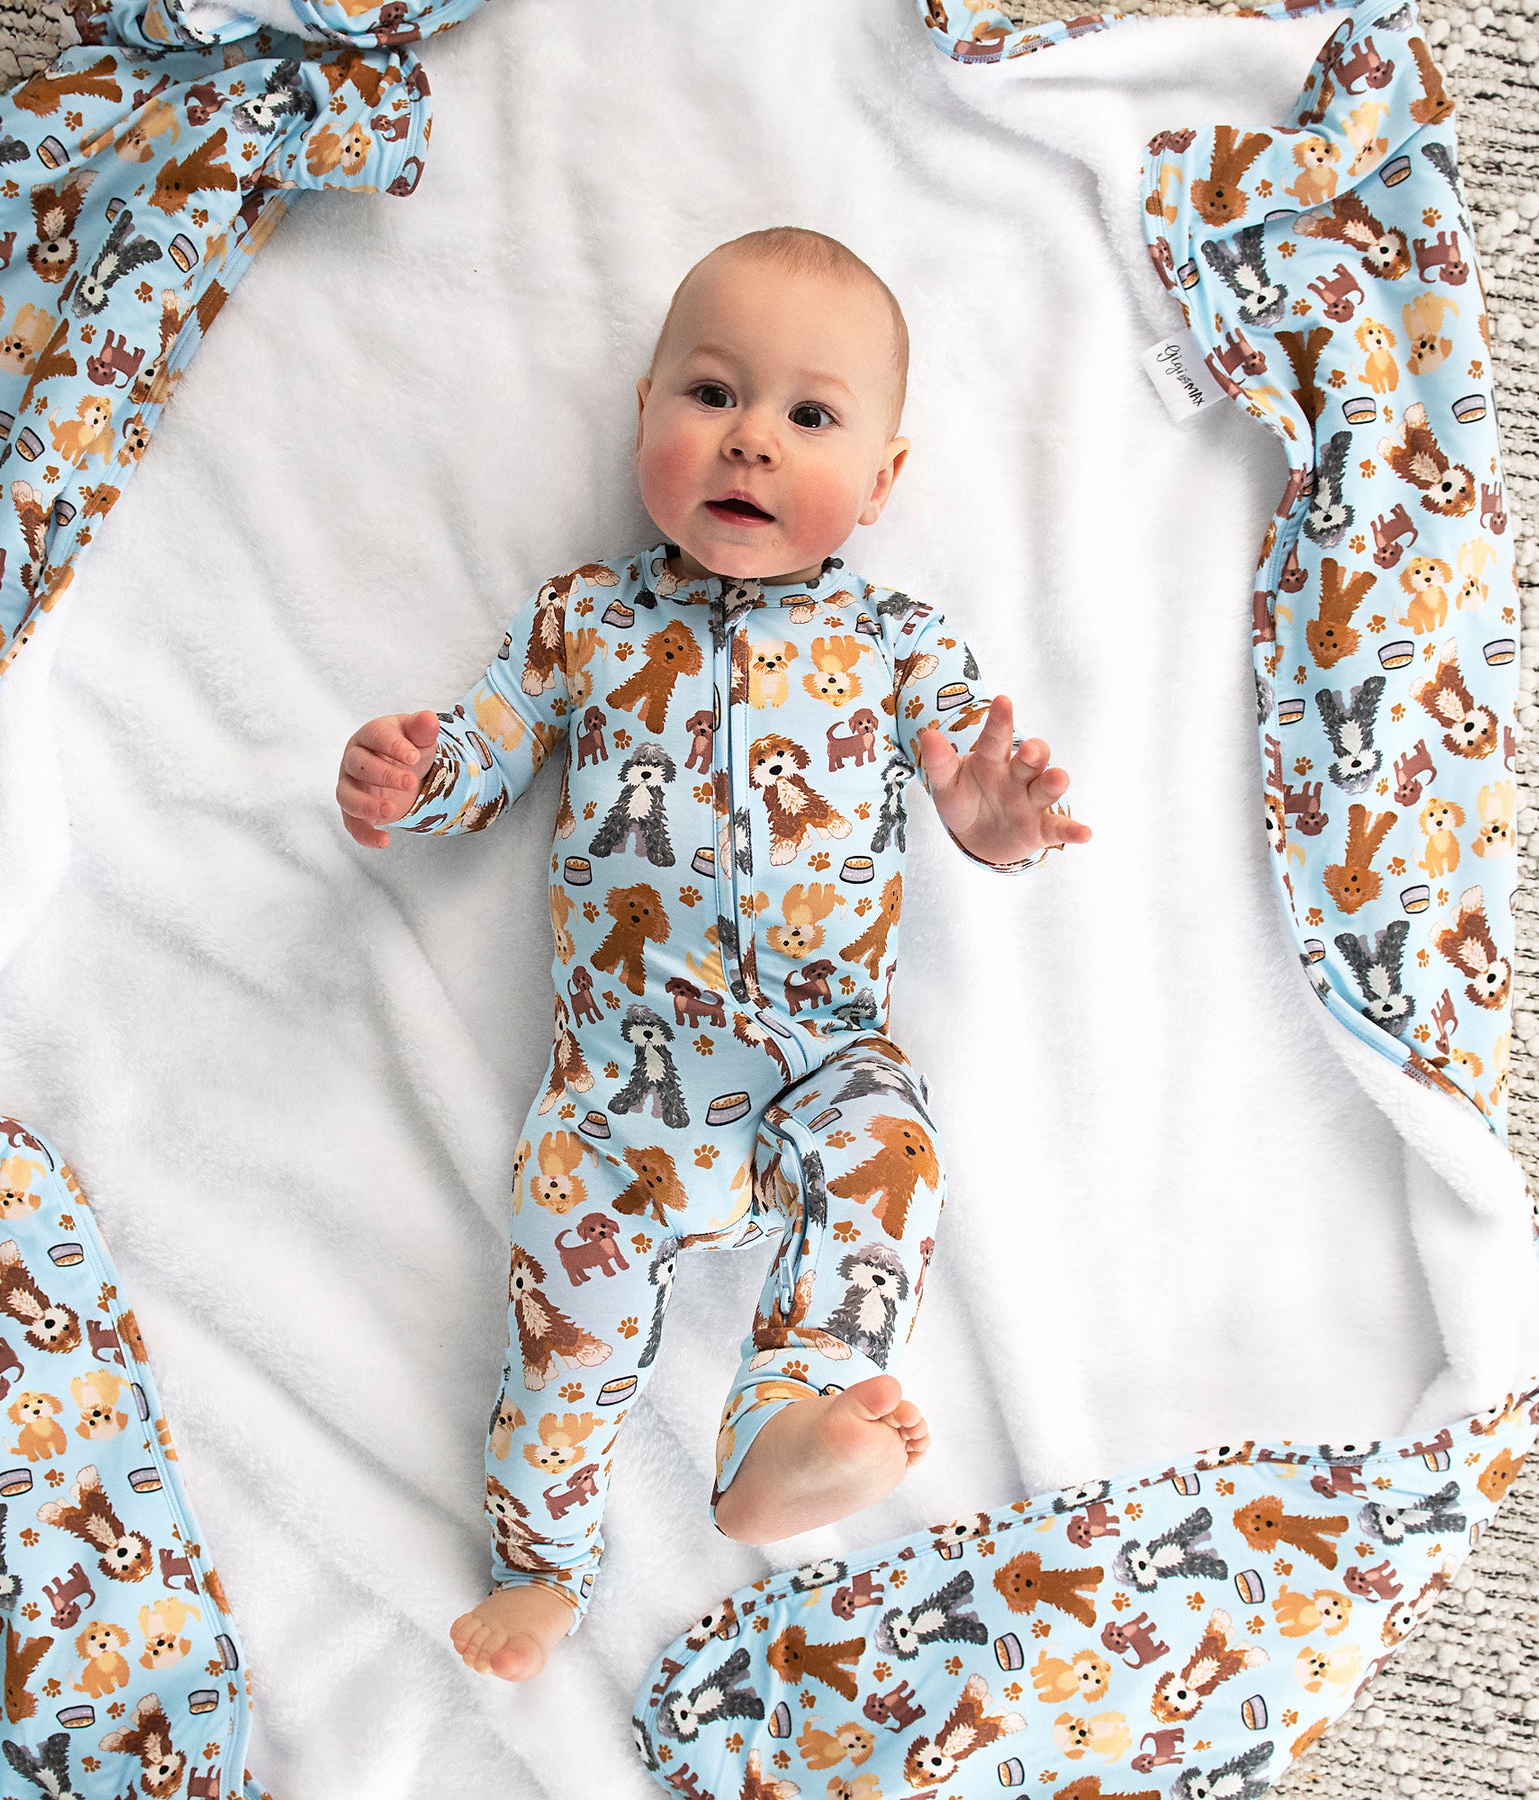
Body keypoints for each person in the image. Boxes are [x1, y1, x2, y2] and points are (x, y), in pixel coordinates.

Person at [335, 226, 1091, 1682]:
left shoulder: (899, 641)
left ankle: (787, 1424)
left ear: (882, 480)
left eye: (809, 415)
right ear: (645, 414)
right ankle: (541, 1565)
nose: (751, 439)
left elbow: (968, 795)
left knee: (893, 1166)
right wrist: (411, 779)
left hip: (823, 1061)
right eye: (711, 394)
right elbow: (487, 752)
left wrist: (1000, 823)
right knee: (562, 1342)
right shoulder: (586, 619)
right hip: (623, 1091)